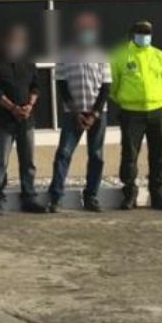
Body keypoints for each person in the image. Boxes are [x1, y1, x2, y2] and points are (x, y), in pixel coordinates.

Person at [48, 12, 111, 213]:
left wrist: (94, 114)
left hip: (97, 115)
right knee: (64, 154)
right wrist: (76, 112)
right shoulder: (64, 55)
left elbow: (106, 88)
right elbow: (62, 86)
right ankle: (55, 197)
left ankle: (91, 196)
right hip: (72, 114)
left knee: (96, 155)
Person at [0, 25, 47, 215]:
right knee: (1, 163)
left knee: (28, 162)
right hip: (4, 121)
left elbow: (36, 86)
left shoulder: (28, 60)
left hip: (26, 120)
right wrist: (13, 108)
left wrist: (29, 105)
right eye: (12, 39)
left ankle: (29, 197)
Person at [110, 20, 162, 211]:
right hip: (131, 113)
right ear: (132, 34)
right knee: (129, 154)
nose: (144, 36)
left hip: (157, 111)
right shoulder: (120, 56)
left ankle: (158, 193)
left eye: (147, 33)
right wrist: (125, 100)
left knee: (159, 154)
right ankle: (129, 193)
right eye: (141, 32)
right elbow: (113, 86)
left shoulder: (159, 56)